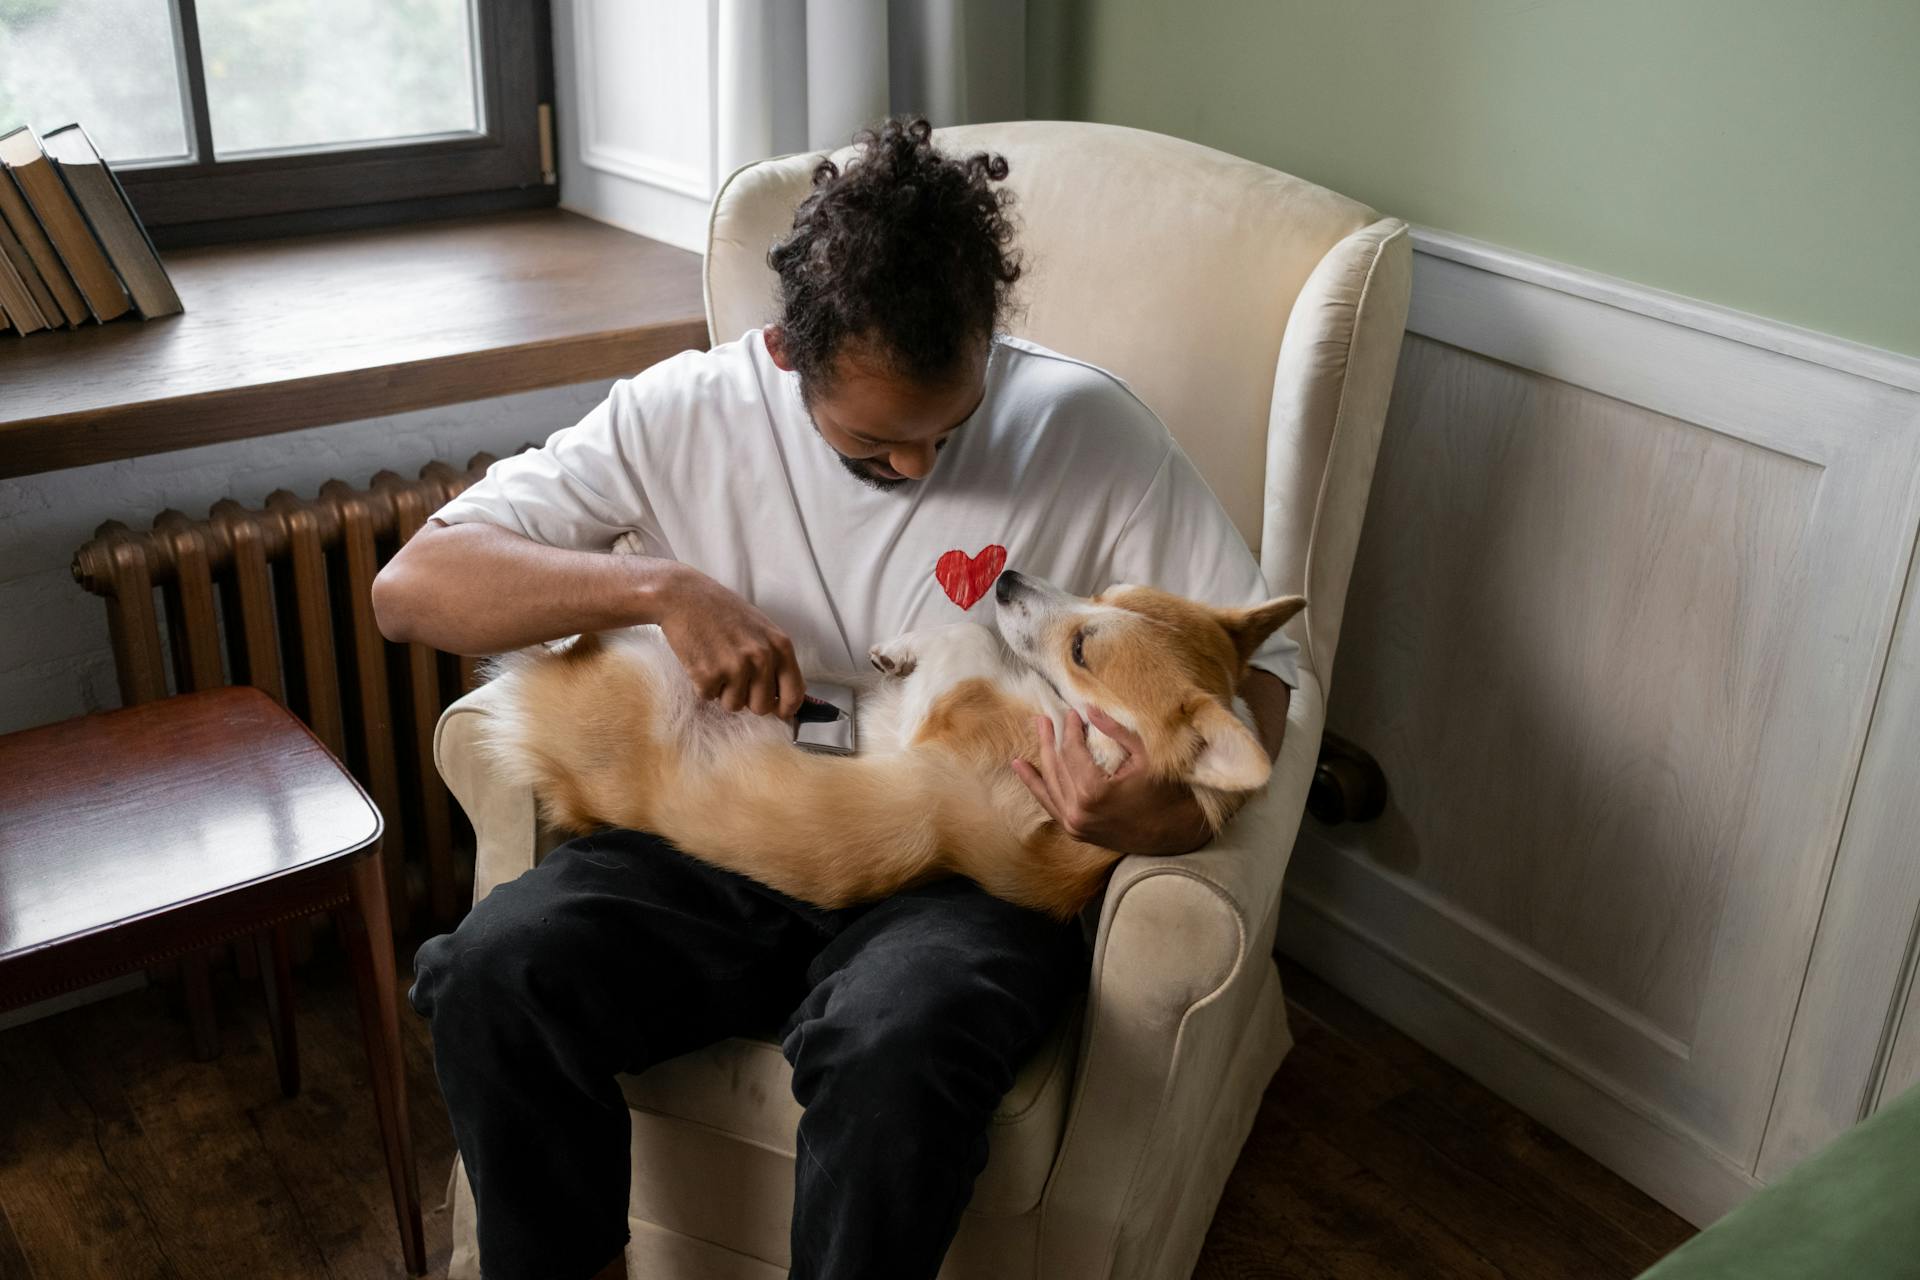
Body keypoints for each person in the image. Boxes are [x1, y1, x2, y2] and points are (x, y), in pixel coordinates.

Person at [373, 117, 1296, 1280]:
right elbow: (412, 590)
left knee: (901, 1042)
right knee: (491, 970)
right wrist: (658, 585)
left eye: (947, 429)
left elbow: (1264, 680)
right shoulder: (682, 411)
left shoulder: (1092, 429)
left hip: (968, 864)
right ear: (783, 353)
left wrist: (1149, 818)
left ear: (987, 342)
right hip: (720, 834)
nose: (917, 468)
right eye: (874, 441)